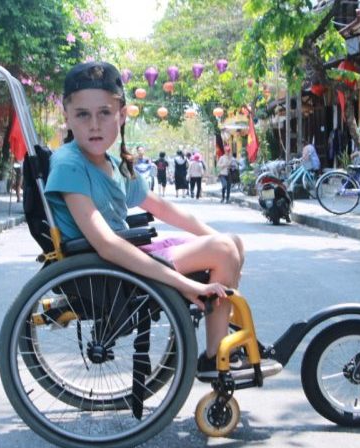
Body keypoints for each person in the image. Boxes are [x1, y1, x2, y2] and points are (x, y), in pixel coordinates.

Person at [45, 61, 279, 380]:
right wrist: (186, 284)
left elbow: (164, 208)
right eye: (83, 114)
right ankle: (216, 356)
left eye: (105, 113)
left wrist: (213, 236)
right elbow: (106, 244)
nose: (94, 125)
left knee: (231, 242)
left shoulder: (112, 163)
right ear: (67, 116)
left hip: (122, 256)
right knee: (223, 250)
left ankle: (223, 342)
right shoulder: (69, 164)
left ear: (122, 115)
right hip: (106, 268)